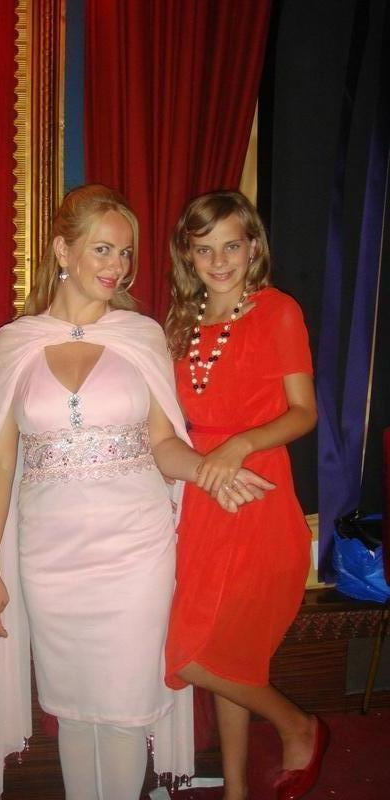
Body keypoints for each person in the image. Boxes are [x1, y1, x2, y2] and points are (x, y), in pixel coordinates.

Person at [0, 184, 273, 800]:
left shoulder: (140, 335)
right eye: (103, 249)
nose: (118, 266)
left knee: (128, 709)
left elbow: (164, 443)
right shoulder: (15, 343)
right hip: (50, 557)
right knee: (74, 710)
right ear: (63, 251)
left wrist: (208, 469)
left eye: (126, 252)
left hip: (136, 550)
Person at [164, 190, 326, 800]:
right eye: (204, 249)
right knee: (226, 653)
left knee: (193, 656)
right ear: (187, 254)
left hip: (257, 492)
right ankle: (235, 789)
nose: (219, 261)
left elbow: (304, 412)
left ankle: (297, 726)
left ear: (253, 246)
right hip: (203, 494)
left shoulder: (278, 311)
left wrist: (239, 445)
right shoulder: (180, 322)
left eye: (231, 245)